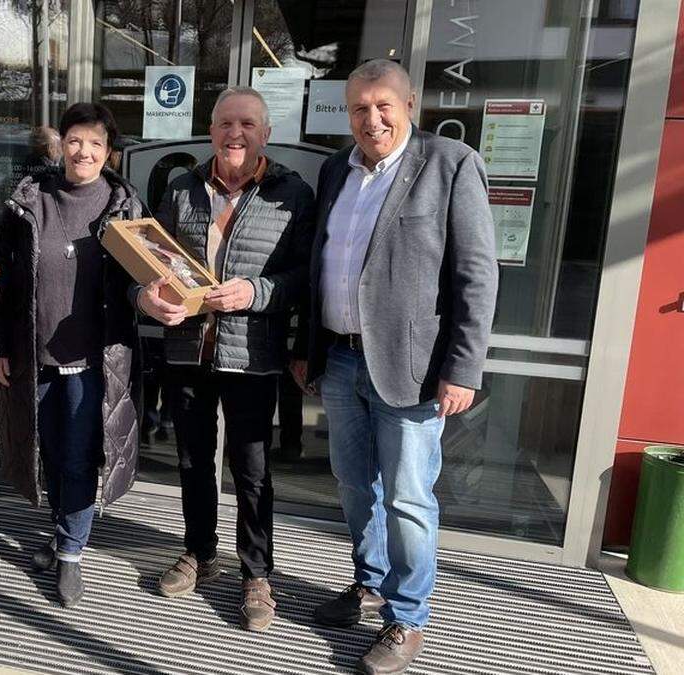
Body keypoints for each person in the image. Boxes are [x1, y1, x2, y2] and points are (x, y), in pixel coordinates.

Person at [296, 59, 497, 674]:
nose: (371, 118)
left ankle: (407, 618)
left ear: (410, 103)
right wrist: (306, 345)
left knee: (409, 497)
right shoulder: (336, 169)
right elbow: (319, 262)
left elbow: (476, 273)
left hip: (411, 368)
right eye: (359, 107)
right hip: (339, 357)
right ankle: (369, 582)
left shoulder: (450, 164)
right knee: (357, 488)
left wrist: (462, 368)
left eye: (384, 105)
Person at [139, 86, 316, 632]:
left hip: (253, 354)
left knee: (252, 469)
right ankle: (200, 551)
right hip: (189, 349)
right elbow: (152, 261)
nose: (233, 134)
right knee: (193, 460)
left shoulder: (292, 193)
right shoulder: (183, 188)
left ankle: (257, 574)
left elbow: (305, 278)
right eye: (223, 124)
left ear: (264, 133)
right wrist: (146, 295)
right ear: (210, 130)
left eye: (245, 124)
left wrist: (255, 293)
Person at [0, 102, 143, 608]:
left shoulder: (125, 209)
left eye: (96, 143)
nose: (84, 151)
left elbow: (147, 280)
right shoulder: (30, 203)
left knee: (78, 458)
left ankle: (72, 553)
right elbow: (0, 280)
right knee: (46, 455)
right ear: (61, 146)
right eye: (76, 140)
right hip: (34, 360)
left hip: (92, 363)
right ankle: (60, 537)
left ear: (109, 152)